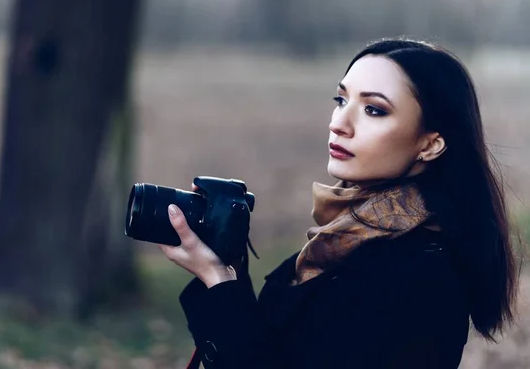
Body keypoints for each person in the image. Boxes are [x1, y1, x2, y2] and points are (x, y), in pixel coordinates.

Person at [157, 38, 521, 368]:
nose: (339, 124)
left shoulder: (419, 275)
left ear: (430, 144)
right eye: (341, 100)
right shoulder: (344, 239)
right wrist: (227, 272)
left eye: (374, 110)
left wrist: (217, 280)